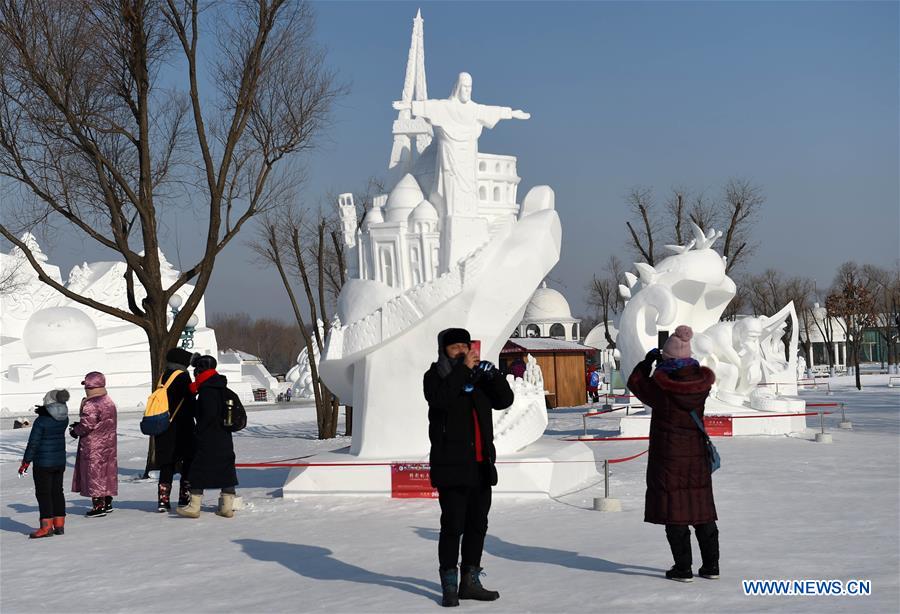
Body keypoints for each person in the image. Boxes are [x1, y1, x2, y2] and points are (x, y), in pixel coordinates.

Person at [424, 328, 515, 607]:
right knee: (453, 526)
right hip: (451, 466)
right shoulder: (435, 376)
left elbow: (505, 400)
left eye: (465, 346)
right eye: (455, 347)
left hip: (480, 465)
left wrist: (493, 375)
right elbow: (441, 400)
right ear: (444, 350)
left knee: (478, 525)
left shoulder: (477, 378)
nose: (462, 351)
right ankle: (449, 585)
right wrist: (463, 370)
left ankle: (470, 581)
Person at [627, 325, 720, 582]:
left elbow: (635, 382)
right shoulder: (700, 385)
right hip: (696, 456)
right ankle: (711, 566)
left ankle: (683, 568)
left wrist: (647, 362)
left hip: (668, 457)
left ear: (666, 359)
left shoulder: (661, 388)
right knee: (701, 509)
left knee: (675, 511)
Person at [177, 355, 239, 519]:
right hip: (224, 437)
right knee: (226, 470)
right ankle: (226, 507)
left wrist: (195, 412)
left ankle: (194, 507)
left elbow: (206, 416)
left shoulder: (206, 391)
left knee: (197, 470)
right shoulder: (222, 387)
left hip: (207, 438)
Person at [19, 389, 70, 538]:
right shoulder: (64, 418)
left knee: (44, 493)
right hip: (59, 461)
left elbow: (33, 443)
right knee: (57, 491)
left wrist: (26, 462)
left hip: (43, 463)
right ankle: (59, 524)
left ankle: (46, 527)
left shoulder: (41, 421)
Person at [153, 348, 197, 512]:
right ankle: (184, 497)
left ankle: (163, 500)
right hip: (182, 427)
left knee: (167, 464)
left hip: (163, 425)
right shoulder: (183, 376)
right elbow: (189, 402)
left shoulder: (163, 376)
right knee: (187, 461)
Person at [71, 372, 118, 518]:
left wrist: (75, 430)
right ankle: (107, 502)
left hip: (94, 445)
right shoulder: (108, 401)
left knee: (94, 473)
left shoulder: (91, 404)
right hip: (109, 443)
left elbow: (87, 425)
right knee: (107, 471)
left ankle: (98, 506)